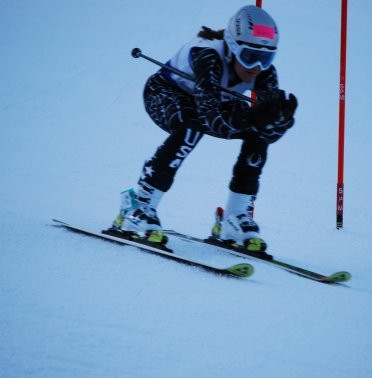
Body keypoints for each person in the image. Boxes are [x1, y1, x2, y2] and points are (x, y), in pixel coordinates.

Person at [106, 5, 298, 253]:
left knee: (258, 132)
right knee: (191, 127)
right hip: (164, 93)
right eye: (250, 56)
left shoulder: (263, 72)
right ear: (232, 46)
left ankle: (235, 217)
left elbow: (266, 132)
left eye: (267, 57)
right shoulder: (207, 56)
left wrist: (275, 124)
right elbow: (211, 118)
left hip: (209, 103)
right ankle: (139, 205)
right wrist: (253, 118)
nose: (257, 66)